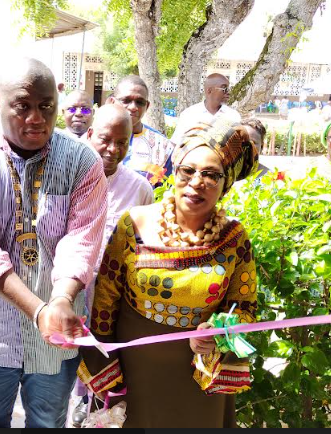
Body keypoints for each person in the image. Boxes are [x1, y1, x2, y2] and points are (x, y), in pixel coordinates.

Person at [0, 58, 108, 428]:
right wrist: (39, 310)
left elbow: (82, 240)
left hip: (59, 332)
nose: (36, 118)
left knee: (48, 423)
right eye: (23, 106)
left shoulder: (82, 160)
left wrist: (61, 300)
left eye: (46, 106)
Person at [78, 119, 259, 428]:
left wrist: (218, 332)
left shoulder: (234, 237)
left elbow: (245, 308)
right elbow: (105, 306)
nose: (196, 182)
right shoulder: (132, 224)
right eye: (187, 170)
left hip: (198, 374)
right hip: (135, 371)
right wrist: (105, 368)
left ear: (226, 183)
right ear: (175, 172)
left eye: (211, 175)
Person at [71, 104, 153, 427]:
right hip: (71, 293)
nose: (113, 149)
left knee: (104, 371)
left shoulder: (140, 189)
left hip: (113, 302)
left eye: (122, 142)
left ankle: (92, 407)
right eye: (105, 140)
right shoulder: (68, 176)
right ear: (90, 135)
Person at [108, 75, 174, 186]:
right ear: (112, 102)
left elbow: (166, 193)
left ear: (147, 106)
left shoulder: (163, 147)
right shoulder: (95, 139)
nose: (133, 107)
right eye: (126, 100)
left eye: (140, 102)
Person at [171, 74, 241, 146]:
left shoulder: (233, 116)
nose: (228, 92)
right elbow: (175, 144)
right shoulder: (189, 114)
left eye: (229, 89)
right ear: (209, 90)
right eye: (224, 89)